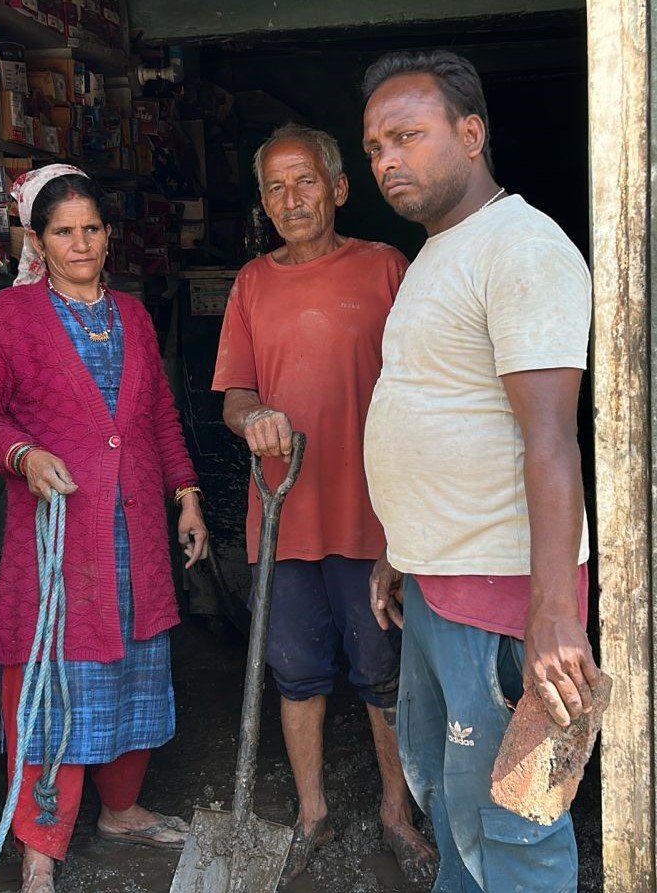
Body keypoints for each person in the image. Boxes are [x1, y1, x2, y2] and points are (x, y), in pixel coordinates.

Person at [361, 49, 598, 892]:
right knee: (450, 799)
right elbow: (441, 411)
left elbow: (551, 440)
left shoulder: (521, 246)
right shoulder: (439, 250)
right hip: (440, 582)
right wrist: (401, 545)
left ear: (469, 134)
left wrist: (553, 614)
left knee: (516, 820)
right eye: (374, 146)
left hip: (505, 597)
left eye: (405, 136)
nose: (386, 159)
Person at [0, 165, 209, 893]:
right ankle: (40, 848)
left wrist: (186, 495)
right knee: (51, 685)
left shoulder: (132, 315)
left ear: (106, 234)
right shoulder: (10, 317)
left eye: (91, 228)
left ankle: (120, 811)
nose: (81, 243)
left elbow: (158, 418)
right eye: (63, 232)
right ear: (38, 242)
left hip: (135, 536)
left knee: (132, 672)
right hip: (58, 540)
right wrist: (23, 454)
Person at [210, 122, 437, 885]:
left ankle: (396, 811)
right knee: (294, 671)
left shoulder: (384, 267)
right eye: (273, 187)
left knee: (382, 672)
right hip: (282, 517)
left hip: (374, 517)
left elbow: (427, 381)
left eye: (304, 180)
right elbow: (234, 393)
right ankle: (312, 812)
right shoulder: (250, 282)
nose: (290, 199)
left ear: (338, 188)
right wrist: (250, 415)